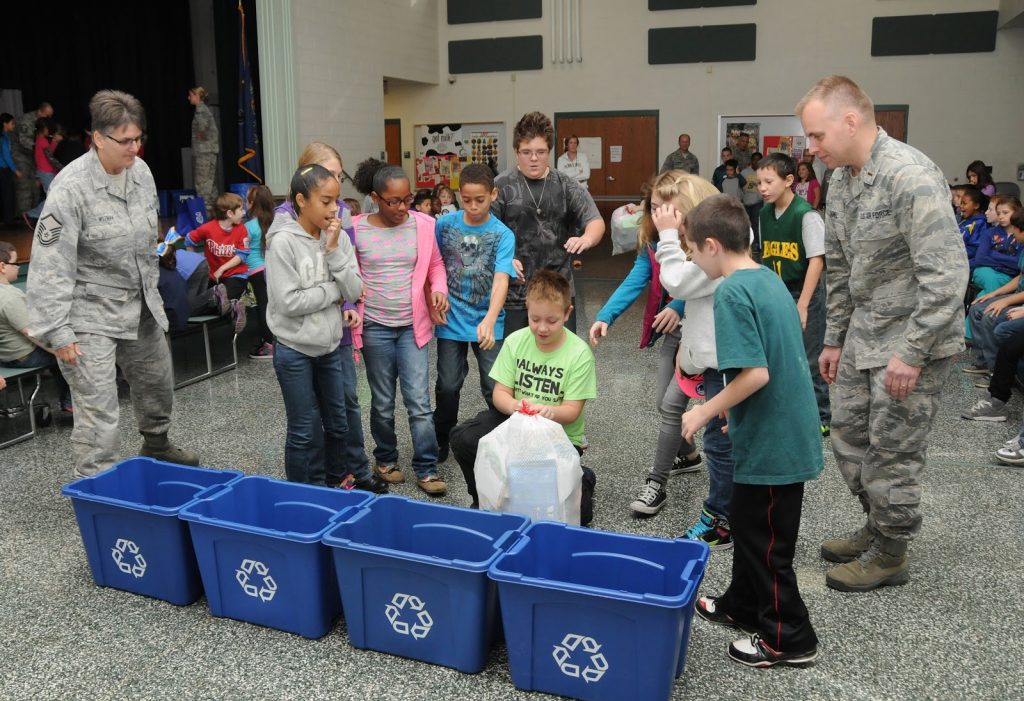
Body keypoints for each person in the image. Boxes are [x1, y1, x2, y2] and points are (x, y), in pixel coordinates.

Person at [797, 75, 968, 592]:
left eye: (816, 136)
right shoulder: (842, 181)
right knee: (849, 440)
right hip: (863, 336)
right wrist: (833, 339)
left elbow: (947, 276)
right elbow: (842, 270)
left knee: (892, 451)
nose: (811, 148)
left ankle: (892, 551)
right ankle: (876, 524)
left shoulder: (909, 176)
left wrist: (912, 353)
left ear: (851, 121)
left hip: (913, 341)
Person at [681, 194, 822, 669]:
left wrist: (704, 410)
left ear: (712, 245)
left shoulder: (731, 292)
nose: (692, 260)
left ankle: (789, 638)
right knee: (746, 525)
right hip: (773, 429)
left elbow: (754, 374)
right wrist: (731, 411)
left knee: (767, 545)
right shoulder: (766, 278)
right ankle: (743, 606)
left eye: (692, 251)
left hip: (774, 443)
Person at [26, 89, 198, 477]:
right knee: (98, 408)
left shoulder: (141, 173)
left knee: (158, 386)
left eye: (139, 138)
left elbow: (145, 237)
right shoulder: (69, 188)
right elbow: (49, 263)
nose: (134, 148)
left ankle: (157, 445)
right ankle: (96, 480)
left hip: (139, 303)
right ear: (98, 138)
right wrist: (58, 331)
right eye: (125, 141)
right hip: (88, 314)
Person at [266, 164, 385, 493]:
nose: (335, 209)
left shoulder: (337, 238)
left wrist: (332, 251)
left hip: (331, 347)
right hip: (294, 349)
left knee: (338, 423)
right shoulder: (283, 243)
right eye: (326, 201)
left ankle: (338, 481)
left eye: (337, 201)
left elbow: (355, 289)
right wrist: (333, 292)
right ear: (301, 200)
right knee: (304, 429)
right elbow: (288, 302)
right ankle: (305, 492)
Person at [588, 176, 703, 517]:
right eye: (653, 208)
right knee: (665, 403)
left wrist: (677, 306)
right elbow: (635, 280)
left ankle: (657, 482)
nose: (659, 215)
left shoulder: (702, 238)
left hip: (710, 335)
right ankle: (689, 456)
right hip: (677, 336)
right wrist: (606, 315)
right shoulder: (653, 244)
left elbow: (707, 275)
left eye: (667, 208)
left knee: (676, 408)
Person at [449, 270, 597, 521]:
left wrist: (550, 412)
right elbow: (500, 395)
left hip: (558, 435)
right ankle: (482, 499)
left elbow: (572, 411)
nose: (542, 328)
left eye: (552, 321)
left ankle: (584, 478)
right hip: (516, 422)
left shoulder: (579, 353)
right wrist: (517, 406)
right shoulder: (516, 341)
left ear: (567, 313)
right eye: (535, 318)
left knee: (578, 517)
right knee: (463, 437)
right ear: (527, 309)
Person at [351, 161, 450, 495]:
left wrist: (439, 289)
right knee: (381, 401)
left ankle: (426, 467)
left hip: (413, 326)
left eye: (406, 199)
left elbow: (435, 265)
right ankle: (386, 459)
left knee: (419, 402)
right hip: (375, 327)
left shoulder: (423, 224)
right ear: (376, 198)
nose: (402, 207)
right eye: (393, 201)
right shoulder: (356, 229)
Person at [655, 171, 738, 548]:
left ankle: (721, 521)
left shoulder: (714, 251)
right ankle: (727, 513)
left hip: (727, 366)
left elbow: (676, 283)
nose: (664, 219)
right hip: (713, 363)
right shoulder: (714, 247)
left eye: (672, 214)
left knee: (721, 447)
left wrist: (668, 237)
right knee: (721, 444)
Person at [492, 111, 603, 335]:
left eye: (540, 152)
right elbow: (485, 232)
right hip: (515, 292)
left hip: (557, 290)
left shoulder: (566, 185)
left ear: (549, 152)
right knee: (517, 361)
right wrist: (502, 259)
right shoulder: (501, 186)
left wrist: (586, 238)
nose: (534, 158)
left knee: (559, 359)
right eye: (526, 152)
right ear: (516, 152)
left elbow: (595, 221)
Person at [433, 163, 515, 462]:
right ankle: (441, 437)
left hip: (488, 320)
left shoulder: (502, 234)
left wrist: (490, 319)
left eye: (480, 199)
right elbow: (434, 266)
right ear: (459, 195)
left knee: (495, 386)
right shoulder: (445, 225)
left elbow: (501, 279)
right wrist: (434, 301)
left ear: (493, 194)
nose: (473, 206)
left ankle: (500, 440)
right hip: (451, 320)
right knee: (448, 384)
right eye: (466, 200)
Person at [757, 152, 831, 433]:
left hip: (804, 293)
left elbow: (816, 261)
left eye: (768, 181)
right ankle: (784, 409)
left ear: (789, 180)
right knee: (777, 354)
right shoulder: (764, 213)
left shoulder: (806, 215)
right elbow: (765, 255)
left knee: (810, 357)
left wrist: (802, 304)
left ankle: (822, 416)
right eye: (759, 182)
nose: (762, 188)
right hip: (776, 291)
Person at [0, 240, 72, 413]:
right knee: (69, 356)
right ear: (2, 266)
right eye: (15, 263)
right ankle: (70, 402)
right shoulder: (9, 297)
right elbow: (33, 333)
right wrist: (59, 349)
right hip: (21, 355)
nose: (18, 267)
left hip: (5, 354)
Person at [964, 206, 1024, 378]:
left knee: (990, 315)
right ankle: (983, 362)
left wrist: (1005, 301)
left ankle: (996, 371)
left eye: (1015, 230)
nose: (1013, 235)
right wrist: (994, 294)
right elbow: (1020, 278)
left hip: (1019, 300)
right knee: (977, 308)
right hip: (1017, 295)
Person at [184, 191, 249, 334]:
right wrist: (196, 262)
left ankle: (230, 305)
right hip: (214, 280)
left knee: (220, 302)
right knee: (195, 308)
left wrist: (222, 268)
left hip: (236, 276)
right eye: (241, 209)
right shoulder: (208, 228)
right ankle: (233, 308)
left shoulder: (241, 229)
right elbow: (189, 240)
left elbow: (242, 256)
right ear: (230, 213)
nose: (244, 213)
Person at [244, 184, 275, 359]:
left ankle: (269, 345)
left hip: (256, 271)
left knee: (263, 308)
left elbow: (242, 250)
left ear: (251, 203)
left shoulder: (249, 226)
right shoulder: (274, 221)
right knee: (272, 306)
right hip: (272, 269)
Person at [14, 102, 52, 215]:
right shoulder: (27, 119)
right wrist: (41, 147)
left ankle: (34, 213)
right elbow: (24, 140)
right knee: (25, 185)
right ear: (41, 112)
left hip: (33, 155)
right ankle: (25, 214)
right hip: (21, 154)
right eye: (47, 115)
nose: (49, 118)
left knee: (36, 185)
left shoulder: (41, 121)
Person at [25, 119, 63, 221]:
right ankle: (31, 214)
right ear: (43, 129)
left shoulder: (41, 140)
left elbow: (48, 153)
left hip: (47, 172)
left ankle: (34, 214)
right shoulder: (42, 140)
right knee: (53, 196)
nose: (49, 130)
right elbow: (50, 157)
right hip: (46, 172)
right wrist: (63, 168)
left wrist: (55, 142)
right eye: (47, 128)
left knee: (53, 195)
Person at [189, 87, 220, 215]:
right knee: (210, 183)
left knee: (202, 184)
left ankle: (206, 214)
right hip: (210, 151)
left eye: (190, 95)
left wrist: (199, 138)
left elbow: (201, 129)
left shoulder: (200, 110)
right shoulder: (204, 109)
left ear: (197, 96)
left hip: (204, 152)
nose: (189, 98)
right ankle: (217, 210)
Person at [740, 151, 763, 249]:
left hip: (757, 202)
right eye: (754, 160)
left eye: (759, 160)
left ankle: (757, 243)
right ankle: (746, 244)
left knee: (756, 223)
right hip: (745, 202)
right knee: (746, 224)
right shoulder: (744, 172)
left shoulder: (763, 172)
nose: (756, 162)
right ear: (751, 161)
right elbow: (739, 186)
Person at [0, 114, 20, 227]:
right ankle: (9, 222)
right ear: (5, 124)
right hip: (3, 170)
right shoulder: (4, 137)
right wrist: (15, 170)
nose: (14, 125)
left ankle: (5, 220)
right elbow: (6, 156)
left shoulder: (4, 136)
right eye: (12, 123)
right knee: (8, 195)